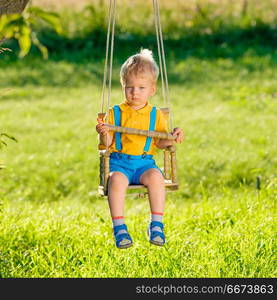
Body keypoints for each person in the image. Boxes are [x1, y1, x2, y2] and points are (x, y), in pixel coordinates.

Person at [96, 49, 184, 249]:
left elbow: (160, 142)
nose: (135, 92)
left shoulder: (155, 115)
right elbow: (107, 143)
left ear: (152, 90)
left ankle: (156, 224)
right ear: (123, 87)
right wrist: (103, 131)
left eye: (141, 87)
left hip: (144, 163)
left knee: (156, 177)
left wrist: (172, 137)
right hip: (120, 162)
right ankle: (119, 227)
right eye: (130, 87)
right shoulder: (115, 112)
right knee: (116, 181)